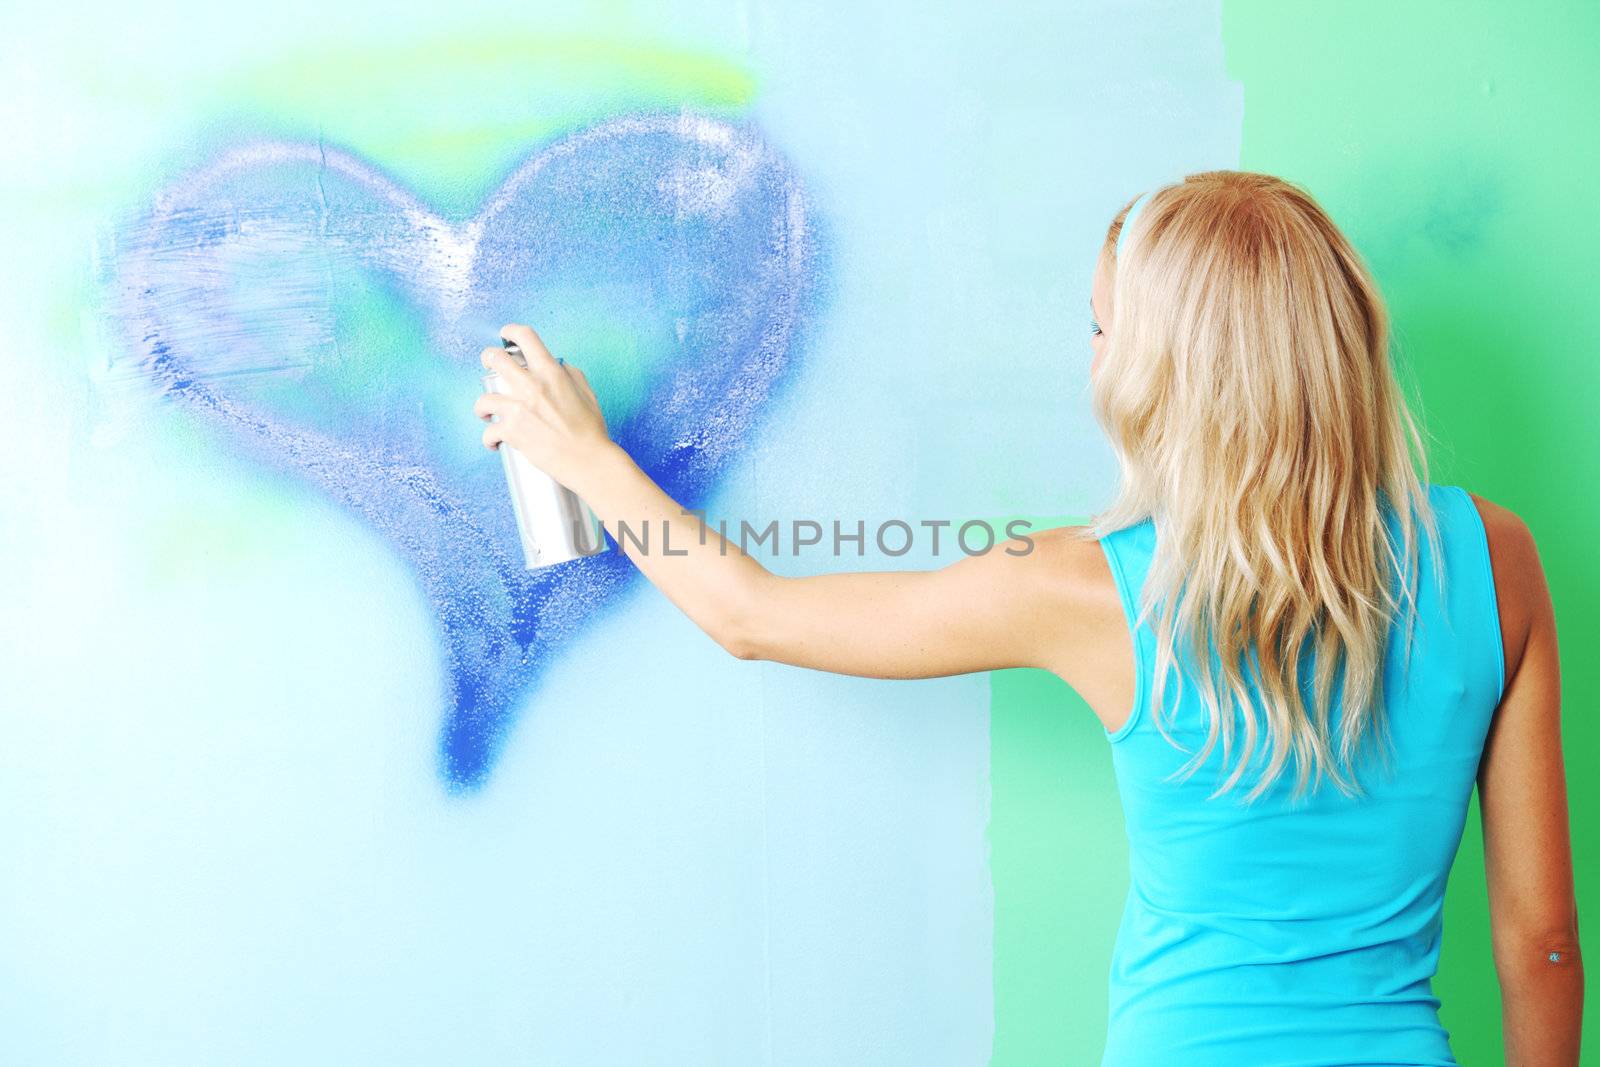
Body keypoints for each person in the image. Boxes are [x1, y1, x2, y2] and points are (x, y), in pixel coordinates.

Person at [472, 169, 1581, 1066]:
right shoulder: (1496, 555)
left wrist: (589, 462)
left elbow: (753, 613)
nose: (1091, 358)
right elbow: (1538, 943)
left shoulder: (1092, 582)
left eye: (1102, 330)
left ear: (1166, 371)